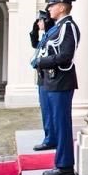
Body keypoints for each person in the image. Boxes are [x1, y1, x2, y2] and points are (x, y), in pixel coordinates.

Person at [32, 0, 81, 175]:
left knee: (62, 124)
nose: (49, 9)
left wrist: (41, 62)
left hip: (61, 79)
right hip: (54, 79)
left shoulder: (68, 26)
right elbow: (42, 45)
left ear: (62, 7)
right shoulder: (58, 27)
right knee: (57, 122)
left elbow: (65, 56)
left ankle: (65, 165)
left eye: (52, 6)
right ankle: (62, 161)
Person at [30, 10, 56, 152]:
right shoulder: (46, 35)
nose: (38, 23)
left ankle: (50, 139)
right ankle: (49, 137)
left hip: (47, 76)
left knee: (48, 110)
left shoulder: (51, 35)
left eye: (39, 21)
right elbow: (36, 44)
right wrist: (34, 29)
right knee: (45, 110)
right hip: (42, 77)